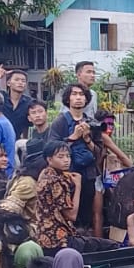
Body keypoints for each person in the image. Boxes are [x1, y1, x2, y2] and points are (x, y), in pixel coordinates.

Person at [49, 83, 98, 222]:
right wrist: (73, 137)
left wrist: (88, 139)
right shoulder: (60, 122)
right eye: (74, 94)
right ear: (68, 99)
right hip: (66, 176)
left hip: (88, 176)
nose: (78, 98)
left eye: (82, 94)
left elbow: (99, 153)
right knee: (67, 216)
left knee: (86, 216)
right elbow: (51, 149)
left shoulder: (91, 122)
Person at [33, 141, 77, 253]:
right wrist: (79, 186)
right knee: (107, 245)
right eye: (60, 157)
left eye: (68, 156)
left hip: (43, 235)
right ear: (49, 159)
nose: (66, 160)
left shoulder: (44, 173)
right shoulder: (55, 181)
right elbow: (72, 215)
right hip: (58, 239)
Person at [22, 99, 52, 176]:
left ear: (46, 114)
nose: (37, 115)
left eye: (40, 111)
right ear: (29, 118)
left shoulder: (53, 132)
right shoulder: (33, 133)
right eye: (33, 113)